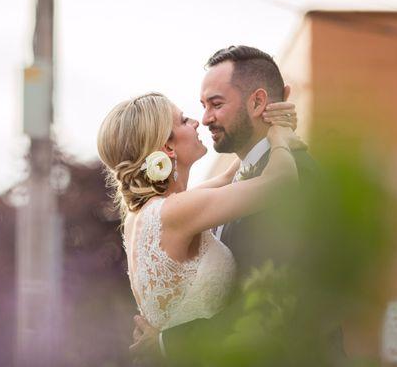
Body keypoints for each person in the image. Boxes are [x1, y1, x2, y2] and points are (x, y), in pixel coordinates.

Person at [127, 46, 344, 366]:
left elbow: (274, 309)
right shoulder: (234, 185)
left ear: (257, 102)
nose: (204, 119)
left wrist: (165, 342)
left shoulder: (298, 178)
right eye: (201, 107)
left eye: (216, 104)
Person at [97, 51, 303, 363]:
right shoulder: (179, 212)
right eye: (183, 120)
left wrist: (260, 123)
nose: (198, 121)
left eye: (213, 105)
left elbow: (230, 175)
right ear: (166, 146)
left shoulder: (144, 214)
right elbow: (282, 181)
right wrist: (280, 135)